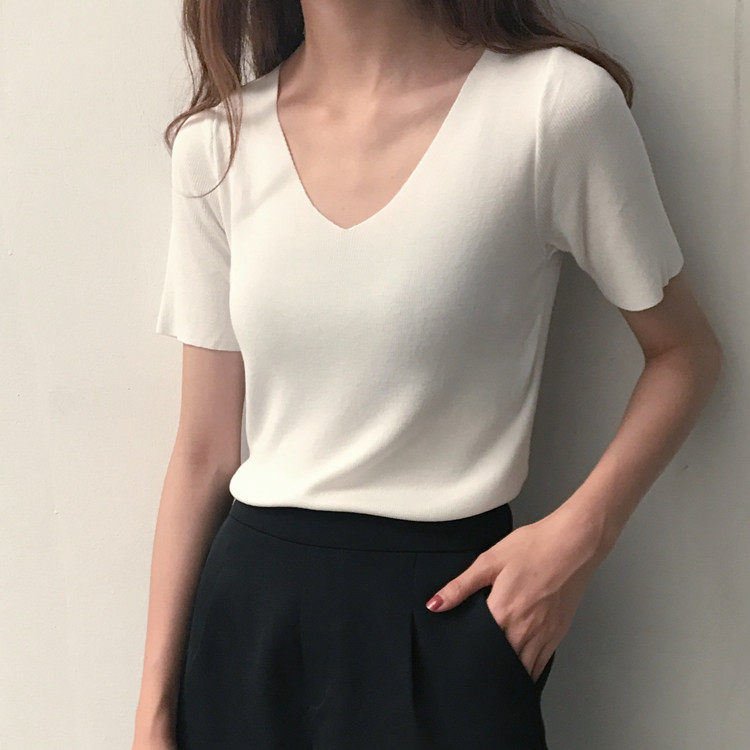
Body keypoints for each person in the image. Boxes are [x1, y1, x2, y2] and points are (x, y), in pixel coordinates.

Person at [133, 1, 722, 748]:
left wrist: (577, 541)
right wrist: (153, 711)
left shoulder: (551, 106)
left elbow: (685, 354)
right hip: (247, 624)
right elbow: (203, 453)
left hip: (446, 613)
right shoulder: (218, 144)